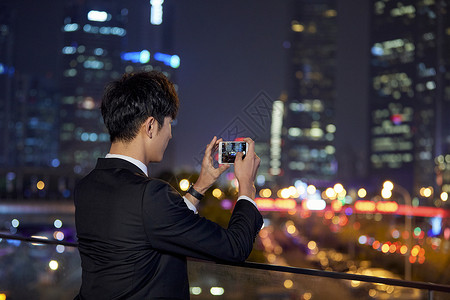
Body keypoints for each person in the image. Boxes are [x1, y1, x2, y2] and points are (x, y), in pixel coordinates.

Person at [74, 71, 263, 299]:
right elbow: (234, 248)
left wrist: (200, 186)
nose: (171, 134)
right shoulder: (150, 195)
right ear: (151, 126)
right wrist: (246, 188)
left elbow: (147, 229)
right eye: (169, 123)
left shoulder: (87, 186)